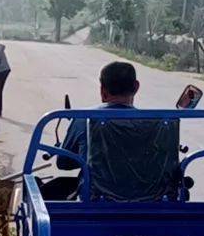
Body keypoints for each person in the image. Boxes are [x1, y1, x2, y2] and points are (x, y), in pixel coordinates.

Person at [54, 60, 180, 203]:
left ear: (102, 89)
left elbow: (63, 163)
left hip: (96, 204)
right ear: (136, 87)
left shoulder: (83, 118)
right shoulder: (160, 124)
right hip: (155, 205)